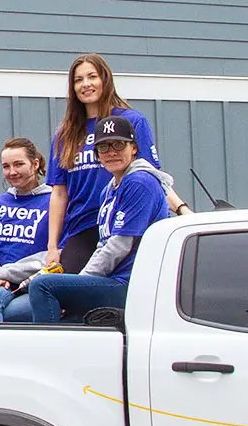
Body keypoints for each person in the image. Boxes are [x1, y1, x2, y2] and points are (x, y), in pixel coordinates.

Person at [44, 54, 188, 273]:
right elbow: (59, 194)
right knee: (68, 295)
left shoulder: (130, 121)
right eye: (78, 80)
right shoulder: (65, 134)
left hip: (125, 225)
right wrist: (52, 246)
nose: (86, 84)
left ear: (105, 79)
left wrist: (181, 209)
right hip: (82, 229)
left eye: (92, 77)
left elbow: (150, 177)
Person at [26, 116, 171, 323]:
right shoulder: (110, 189)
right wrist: (79, 287)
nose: (111, 152)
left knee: (43, 286)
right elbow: (102, 245)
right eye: (103, 147)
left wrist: (80, 285)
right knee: (63, 318)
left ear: (134, 148)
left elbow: (119, 246)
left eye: (119, 145)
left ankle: (50, 352)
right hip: (112, 280)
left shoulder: (139, 182)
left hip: (133, 283)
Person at [0, 137, 51, 323]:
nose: (12, 172)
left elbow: (55, 254)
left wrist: (5, 273)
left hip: (40, 285)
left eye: (18, 164)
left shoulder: (54, 201)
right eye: (6, 166)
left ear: (35, 163)